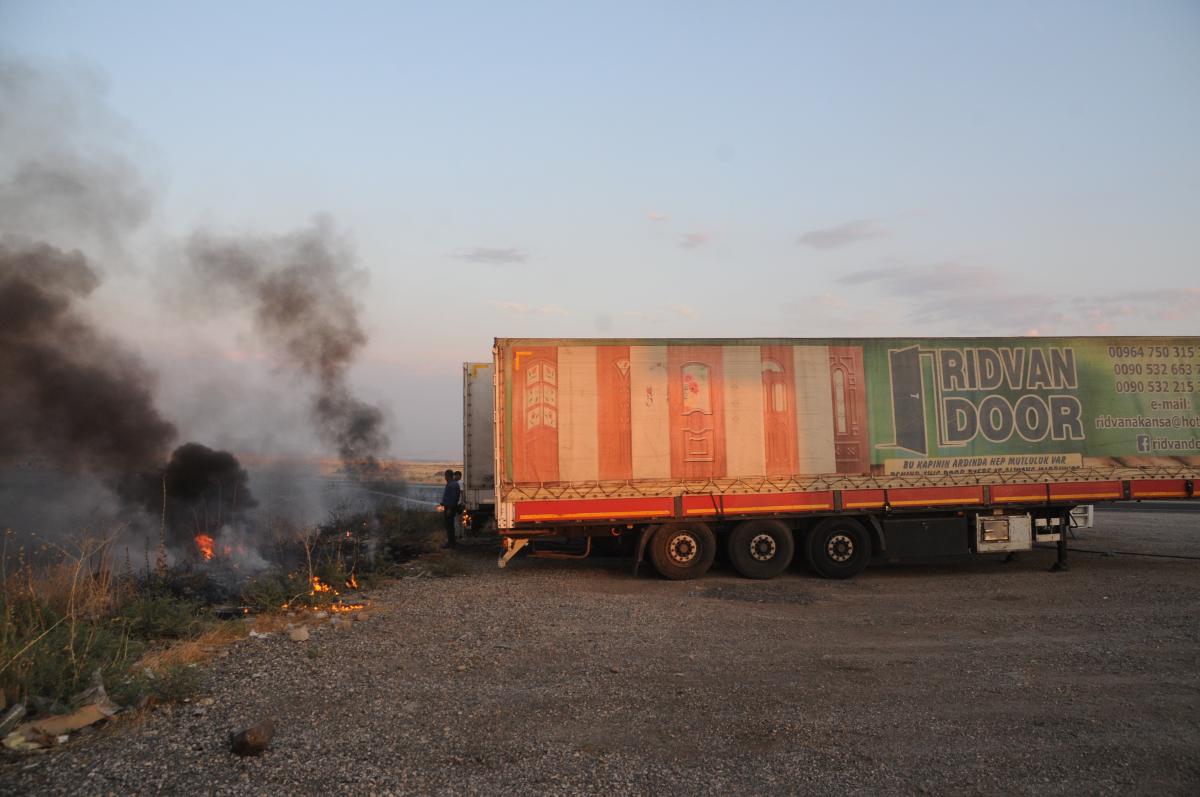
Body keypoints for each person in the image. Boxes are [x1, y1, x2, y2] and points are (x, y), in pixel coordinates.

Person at [437, 468, 461, 549]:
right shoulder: (451, 484)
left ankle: (451, 543)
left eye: (445, 476)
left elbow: (454, 498)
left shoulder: (452, 485)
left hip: (449, 508)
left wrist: (450, 509)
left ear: (448, 476)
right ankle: (451, 542)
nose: (445, 477)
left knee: (449, 526)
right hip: (447, 507)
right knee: (449, 526)